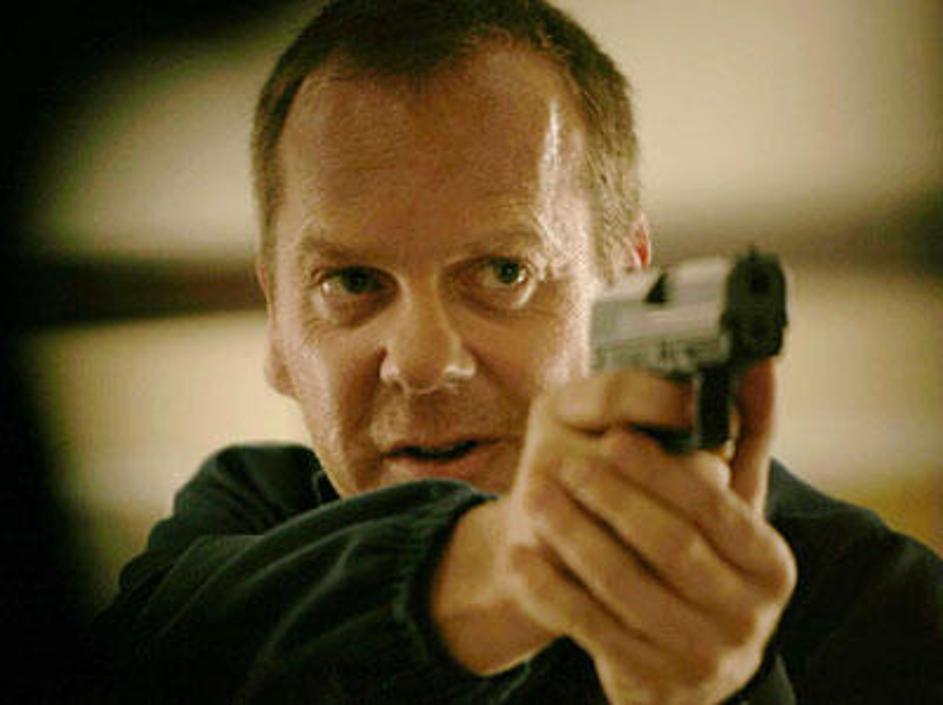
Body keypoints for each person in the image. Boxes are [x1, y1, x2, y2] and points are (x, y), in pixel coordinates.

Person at [90, 1, 943, 703]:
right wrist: (527, 562)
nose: (422, 361)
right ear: (278, 323)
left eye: (504, 271)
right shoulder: (240, 519)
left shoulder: (878, 603)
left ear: (621, 284)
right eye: (350, 282)